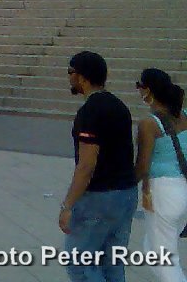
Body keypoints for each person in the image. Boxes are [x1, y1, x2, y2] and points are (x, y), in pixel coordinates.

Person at [60, 51, 137, 282]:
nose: (69, 78)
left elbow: (86, 165)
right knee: (112, 266)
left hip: (99, 197)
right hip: (125, 193)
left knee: (80, 266)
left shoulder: (90, 112)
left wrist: (68, 206)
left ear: (82, 77)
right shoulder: (119, 105)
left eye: (70, 72)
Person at [134, 68, 187, 282]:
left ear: (148, 90)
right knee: (152, 248)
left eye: (139, 87)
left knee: (163, 258)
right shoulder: (184, 116)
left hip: (163, 193)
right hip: (183, 189)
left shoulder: (149, 124)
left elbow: (142, 166)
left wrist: (123, 184)